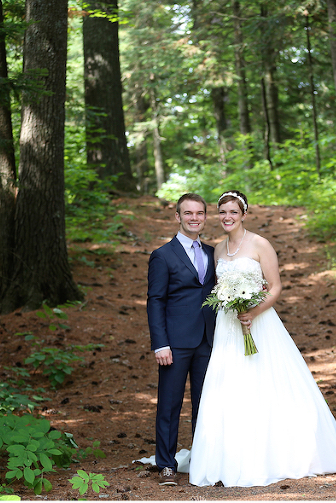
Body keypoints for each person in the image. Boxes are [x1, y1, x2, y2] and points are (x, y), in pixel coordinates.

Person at [188, 190, 336, 487]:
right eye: (222, 213)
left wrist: (253, 311)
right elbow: (219, 290)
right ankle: (228, 456)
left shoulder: (260, 244)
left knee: (265, 382)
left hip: (260, 323)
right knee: (229, 385)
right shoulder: (218, 250)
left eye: (233, 212)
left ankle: (274, 453)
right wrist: (232, 305)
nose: (227, 217)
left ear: (244, 214)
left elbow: (275, 287)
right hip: (229, 326)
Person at [147, 193, 216, 486]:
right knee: (170, 405)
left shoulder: (214, 253)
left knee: (206, 404)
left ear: (204, 217)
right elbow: (155, 301)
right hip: (174, 344)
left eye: (199, 213)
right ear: (177, 217)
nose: (194, 218)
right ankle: (166, 464)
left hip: (208, 341)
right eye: (188, 213)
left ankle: (203, 460)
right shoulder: (163, 255)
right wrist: (160, 343)